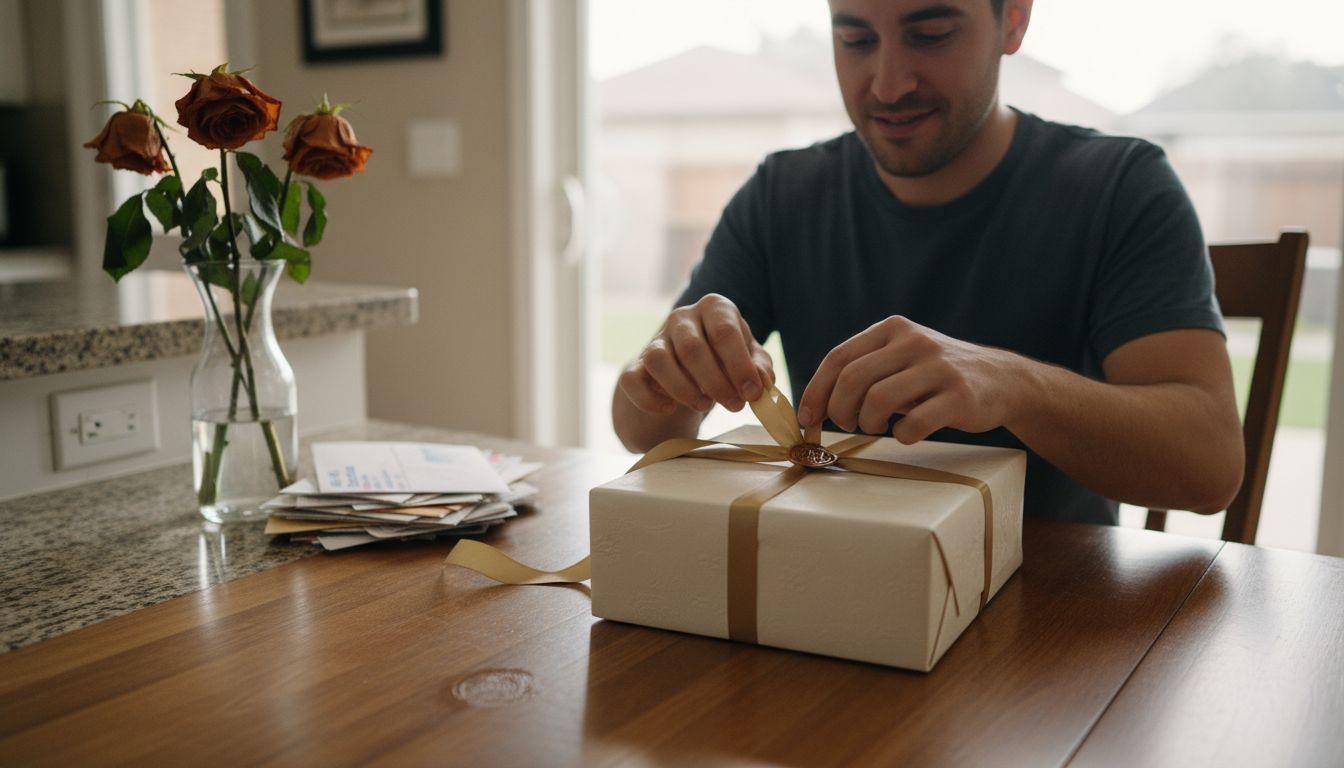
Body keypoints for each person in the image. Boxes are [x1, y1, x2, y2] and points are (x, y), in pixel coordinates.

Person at [611, 0, 1244, 525]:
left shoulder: (1120, 188)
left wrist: (1012, 386)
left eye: (932, 34)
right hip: (830, 582)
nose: (888, 85)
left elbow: (1211, 468)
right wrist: (668, 374)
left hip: (1056, 608)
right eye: (856, 40)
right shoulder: (782, 194)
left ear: (1013, 20)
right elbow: (643, 432)